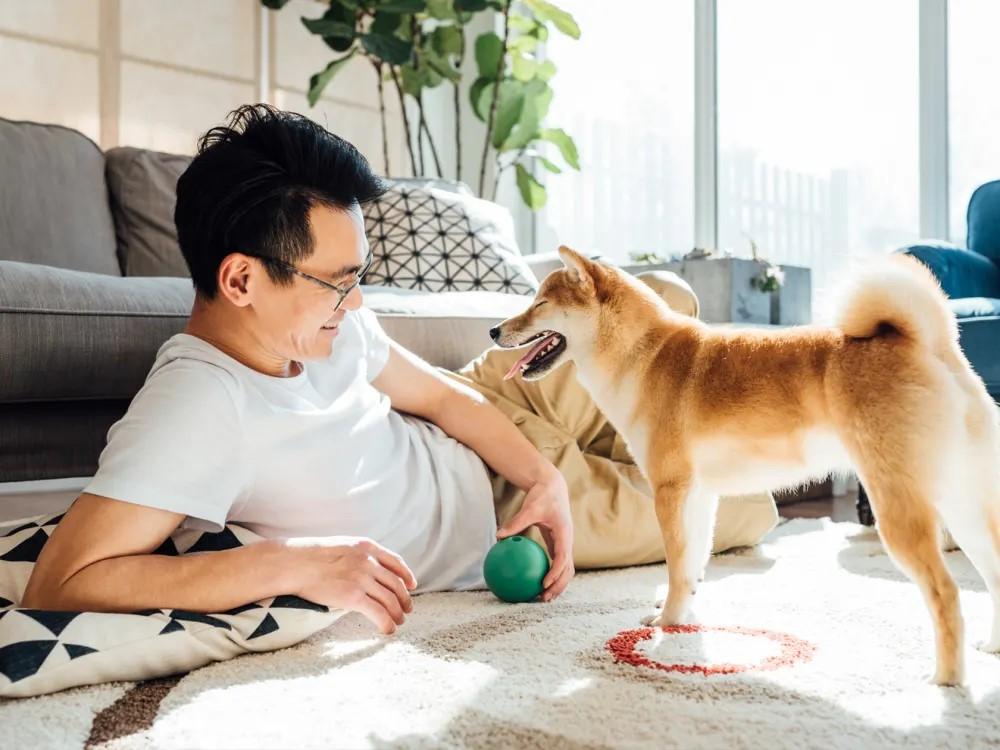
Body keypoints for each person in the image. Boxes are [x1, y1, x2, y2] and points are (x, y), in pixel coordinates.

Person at [22, 105, 778, 634]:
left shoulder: (331, 323)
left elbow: (446, 398)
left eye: (360, 278)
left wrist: (542, 473)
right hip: (495, 513)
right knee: (747, 499)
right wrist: (290, 565)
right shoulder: (198, 404)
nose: (356, 304)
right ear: (241, 281)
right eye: (338, 280)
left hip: (499, 413)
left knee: (666, 333)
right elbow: (64, 580)